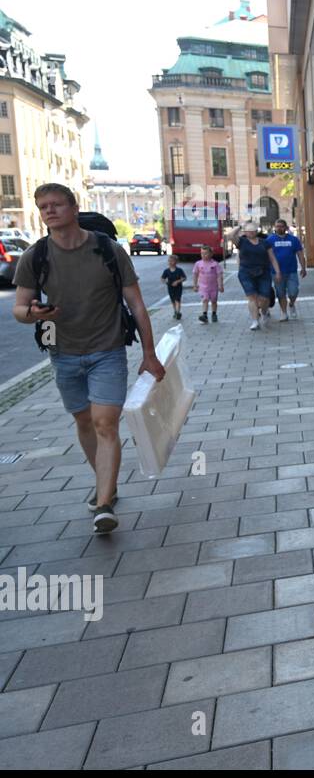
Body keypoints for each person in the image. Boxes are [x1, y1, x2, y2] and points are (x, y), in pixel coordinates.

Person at [10, 183, 165, 533]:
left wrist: (149, 353)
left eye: (56, 205)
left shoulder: (108, 250)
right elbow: (19, 308)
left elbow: (136, 304)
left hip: (107, 351)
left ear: (73, 208)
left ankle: (105, 502)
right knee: (84, 423)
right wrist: (33, 313)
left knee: (104, 424)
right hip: (63, 355)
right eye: (43, 206)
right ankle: (105, 482)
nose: (50, 211)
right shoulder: (35, 256)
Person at [226, 221, 281, 331]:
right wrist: (241, 226)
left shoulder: (265, 243)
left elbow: (272, 258)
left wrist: (278, 272)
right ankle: (255, 321)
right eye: (248, 231)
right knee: (252, 298)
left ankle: (264, 312)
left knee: (264, 298)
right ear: (245, 232)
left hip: (263, 272)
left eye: (252, 231)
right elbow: (230, 236)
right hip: (246, 273)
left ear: (256, 231)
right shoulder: (241, 242)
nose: (250, 233)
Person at [267, 219, 307, 321]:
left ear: (286, 228)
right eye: (277, 226)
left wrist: (303, 268)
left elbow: (300, 254)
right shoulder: (270, 240)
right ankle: (284, 313)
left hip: (291, 271)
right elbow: (267, 256)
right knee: (280, 293)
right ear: (274, 228)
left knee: (293, 292)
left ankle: (292, 304)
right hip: (276, 273)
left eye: (281, 226)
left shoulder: (293, 239)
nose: (279, 228)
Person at [192, 244, 223, 323]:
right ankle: (204, 315)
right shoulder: (198, 264)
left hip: (213, 287)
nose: (204, 255)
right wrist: (195, 285)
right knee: (205, 300)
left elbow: (219, 275)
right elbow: (195, 274)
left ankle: (214, 314)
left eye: (206, 253)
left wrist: (220, 285)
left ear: (211, 254)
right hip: (203, 287)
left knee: (214, 301)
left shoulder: (215, 264)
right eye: (202, 253)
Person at [161, 254, 186, 320]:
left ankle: (178, 312)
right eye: (169, 261)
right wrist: (166, 281)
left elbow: (184, 278)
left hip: (178, 287)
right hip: (170, 287)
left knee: (177, 299)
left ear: (176, 262)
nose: (170, 262)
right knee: (173, 300)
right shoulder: (166, 271)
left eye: (172, 261)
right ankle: (175, 311)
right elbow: (162, 278)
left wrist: (177, 281)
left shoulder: (179, 270)